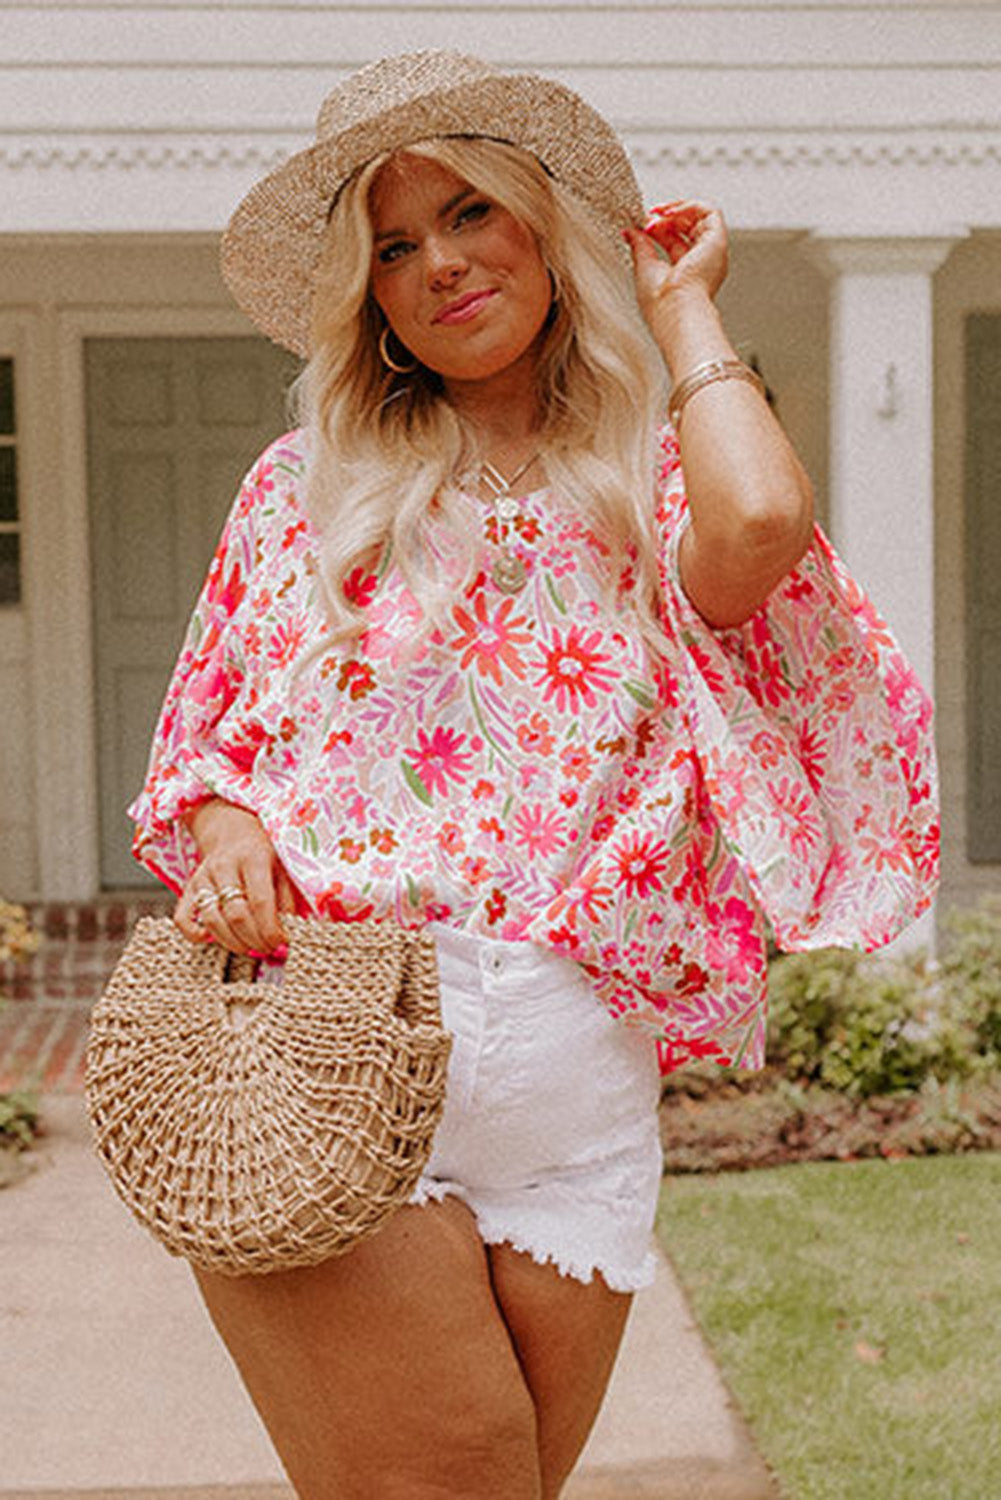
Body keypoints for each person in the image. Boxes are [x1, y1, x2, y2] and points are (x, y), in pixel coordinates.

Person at [130, 50, 938, 1500]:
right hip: (342, 1045)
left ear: (543, 236)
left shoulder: (651, 471)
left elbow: (760, 523)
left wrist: (682, 308)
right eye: (393, 245)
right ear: (366, 294)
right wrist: (226, 820)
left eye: (472, 216)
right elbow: (210, 741)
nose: (438, 263)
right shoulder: (302, 483)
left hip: (577, 1091)